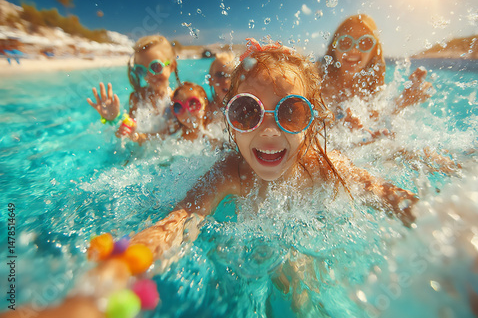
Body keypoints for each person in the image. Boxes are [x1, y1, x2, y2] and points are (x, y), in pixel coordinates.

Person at [2, 39, 419, 318]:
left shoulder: (323, 163)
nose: (269, 130)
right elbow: (178, 221)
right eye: (247, 112)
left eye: (290, 111)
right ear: (229, 118)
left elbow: (386, 194)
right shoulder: (229, 171)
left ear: (312, 120)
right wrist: (104, 285)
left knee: (298, 281)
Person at [321, 14, 433, 134]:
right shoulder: (315, 80)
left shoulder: (370, 86)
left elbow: (378, 117)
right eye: (345, 42)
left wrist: (405, 99)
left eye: (365, 43)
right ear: (334, 46)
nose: (353, 50)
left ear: (374, 51)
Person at [87, 35, 181, 138]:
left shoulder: (178, 99)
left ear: (171, 66)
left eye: (155, 67)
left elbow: (173, 134)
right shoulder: (137, 98)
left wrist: (139, 138)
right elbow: (128, 128)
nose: (149, 75)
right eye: (141, 70)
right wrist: (114, 118)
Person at [206, 51, 237, 122]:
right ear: (210, 80)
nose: (226, 81)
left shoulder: (243, 110)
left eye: (231, 75)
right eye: (219, 75)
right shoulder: (204, 110)